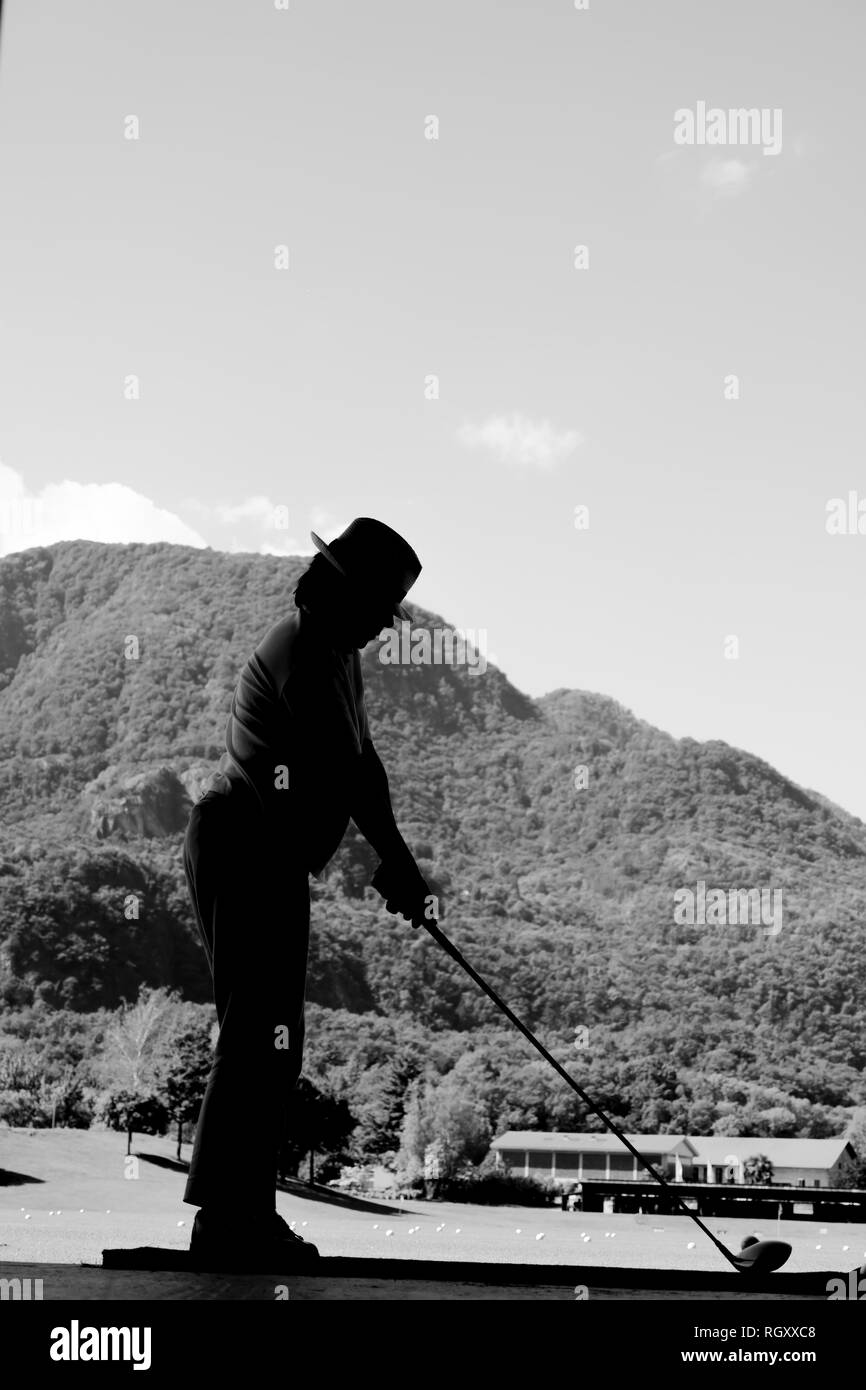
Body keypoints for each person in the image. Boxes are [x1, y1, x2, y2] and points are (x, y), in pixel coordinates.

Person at [182, 518, 430, 1268]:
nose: (385, 626)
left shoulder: (335, 655)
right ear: (341, 592)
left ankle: (245, 1214)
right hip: (241, 847)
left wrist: (401, 864)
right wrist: (396, 865)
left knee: (276, 1046)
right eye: (380, 608)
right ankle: (225, 1222)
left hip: (277, 861)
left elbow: (365, 759)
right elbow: (346, 775)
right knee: (256, 1036)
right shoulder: (298, 654)